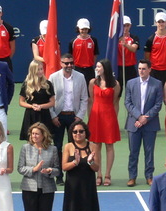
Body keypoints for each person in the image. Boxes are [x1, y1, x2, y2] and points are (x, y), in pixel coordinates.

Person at [18, 123, 59, 211]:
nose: (34, 136)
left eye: (37, 134)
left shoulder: (52, 149)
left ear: (43, 135)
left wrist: (49, 171)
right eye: (32, 134)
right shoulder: (25, 148)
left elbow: (58, 169)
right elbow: (20, 168)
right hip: (29, 189)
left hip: (47, 189)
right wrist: (33, 170)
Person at [62, 120, 100, 211]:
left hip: (87, 187)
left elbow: (96, 168)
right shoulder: (68, 147)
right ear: (72, 134)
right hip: (73, 187)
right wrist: (75, 162)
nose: (78, 134)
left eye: (81, 131)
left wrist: (90, 162)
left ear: (85, 132)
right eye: (75, 132)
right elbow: (64, 167)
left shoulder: (93, 146)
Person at [49, 53, 88, 184]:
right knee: (58, 147)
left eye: (71, 63)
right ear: (61, 63)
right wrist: (53, 116)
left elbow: (84, 99)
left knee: (76, 146)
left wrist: (80, 116)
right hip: (58, 117)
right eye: (66, 63)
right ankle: (58, 176)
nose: (69, 65)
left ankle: (75, 173)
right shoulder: (53, 77)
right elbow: (49, 99)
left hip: (74, 117)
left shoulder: (80, 77)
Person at [125, 59, 163, 187]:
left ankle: (149, 176)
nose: (141, 71)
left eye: (144, 69)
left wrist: (146, 118)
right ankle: (132, 177)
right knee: (133, 152)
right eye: (139, 68)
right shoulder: (130, 83)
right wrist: (139, 117)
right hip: (133, 123)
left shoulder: (157, 84)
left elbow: (158, 104)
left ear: (149, 69)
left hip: (150, 124)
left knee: (149, 152)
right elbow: (127, 103)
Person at [88, 59, 122, 186]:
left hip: (109, 117)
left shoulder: (115, 84)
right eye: (96, 66)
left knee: (109, 145)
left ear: (105, 68)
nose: (97, 68)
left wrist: (113, 118)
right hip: (96, 117)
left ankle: (108, 174)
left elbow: (115, 102)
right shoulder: (93, 82)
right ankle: (99, 174)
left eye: (99, 66)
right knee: (96, 146)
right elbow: (92, 100)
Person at [18, 60, 55, 141]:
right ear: (33, 71)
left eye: (41, 69)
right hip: (31, 115)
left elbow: (52, 102)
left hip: (44, 115)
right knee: (31, 140)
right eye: (38, 69)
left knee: (45, 139)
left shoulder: (48, 84)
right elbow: (21, 102)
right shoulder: (26, 84)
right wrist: (32, 106)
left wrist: (41, 106)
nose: (40, 71)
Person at [144, 12, 166, 84]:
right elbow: (147, 56)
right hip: (154, 70)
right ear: (155, 23)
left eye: (163, 21)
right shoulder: (151, 39)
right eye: (159, 22)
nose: (161, 24)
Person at [69, 18, 99, 85]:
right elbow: (70, 56)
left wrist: (91, 65)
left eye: (86, 29)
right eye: (82, 29)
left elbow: (95, 54)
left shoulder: (93, 40)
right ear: (78, 29)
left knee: (90, 89)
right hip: (77, 69)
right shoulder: (73, 42)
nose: (84, 31)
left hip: (89, 70)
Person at [117, 15, 140, 84]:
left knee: (133, 89)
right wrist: (118, 40)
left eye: (127, 25)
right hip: (119, 68)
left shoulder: (134, 37)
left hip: (130, 68)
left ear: (130, 26)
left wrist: (125, 44)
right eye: (124, 25)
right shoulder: (115, 39)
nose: (125, 28)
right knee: (118, 89)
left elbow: (134, 49)